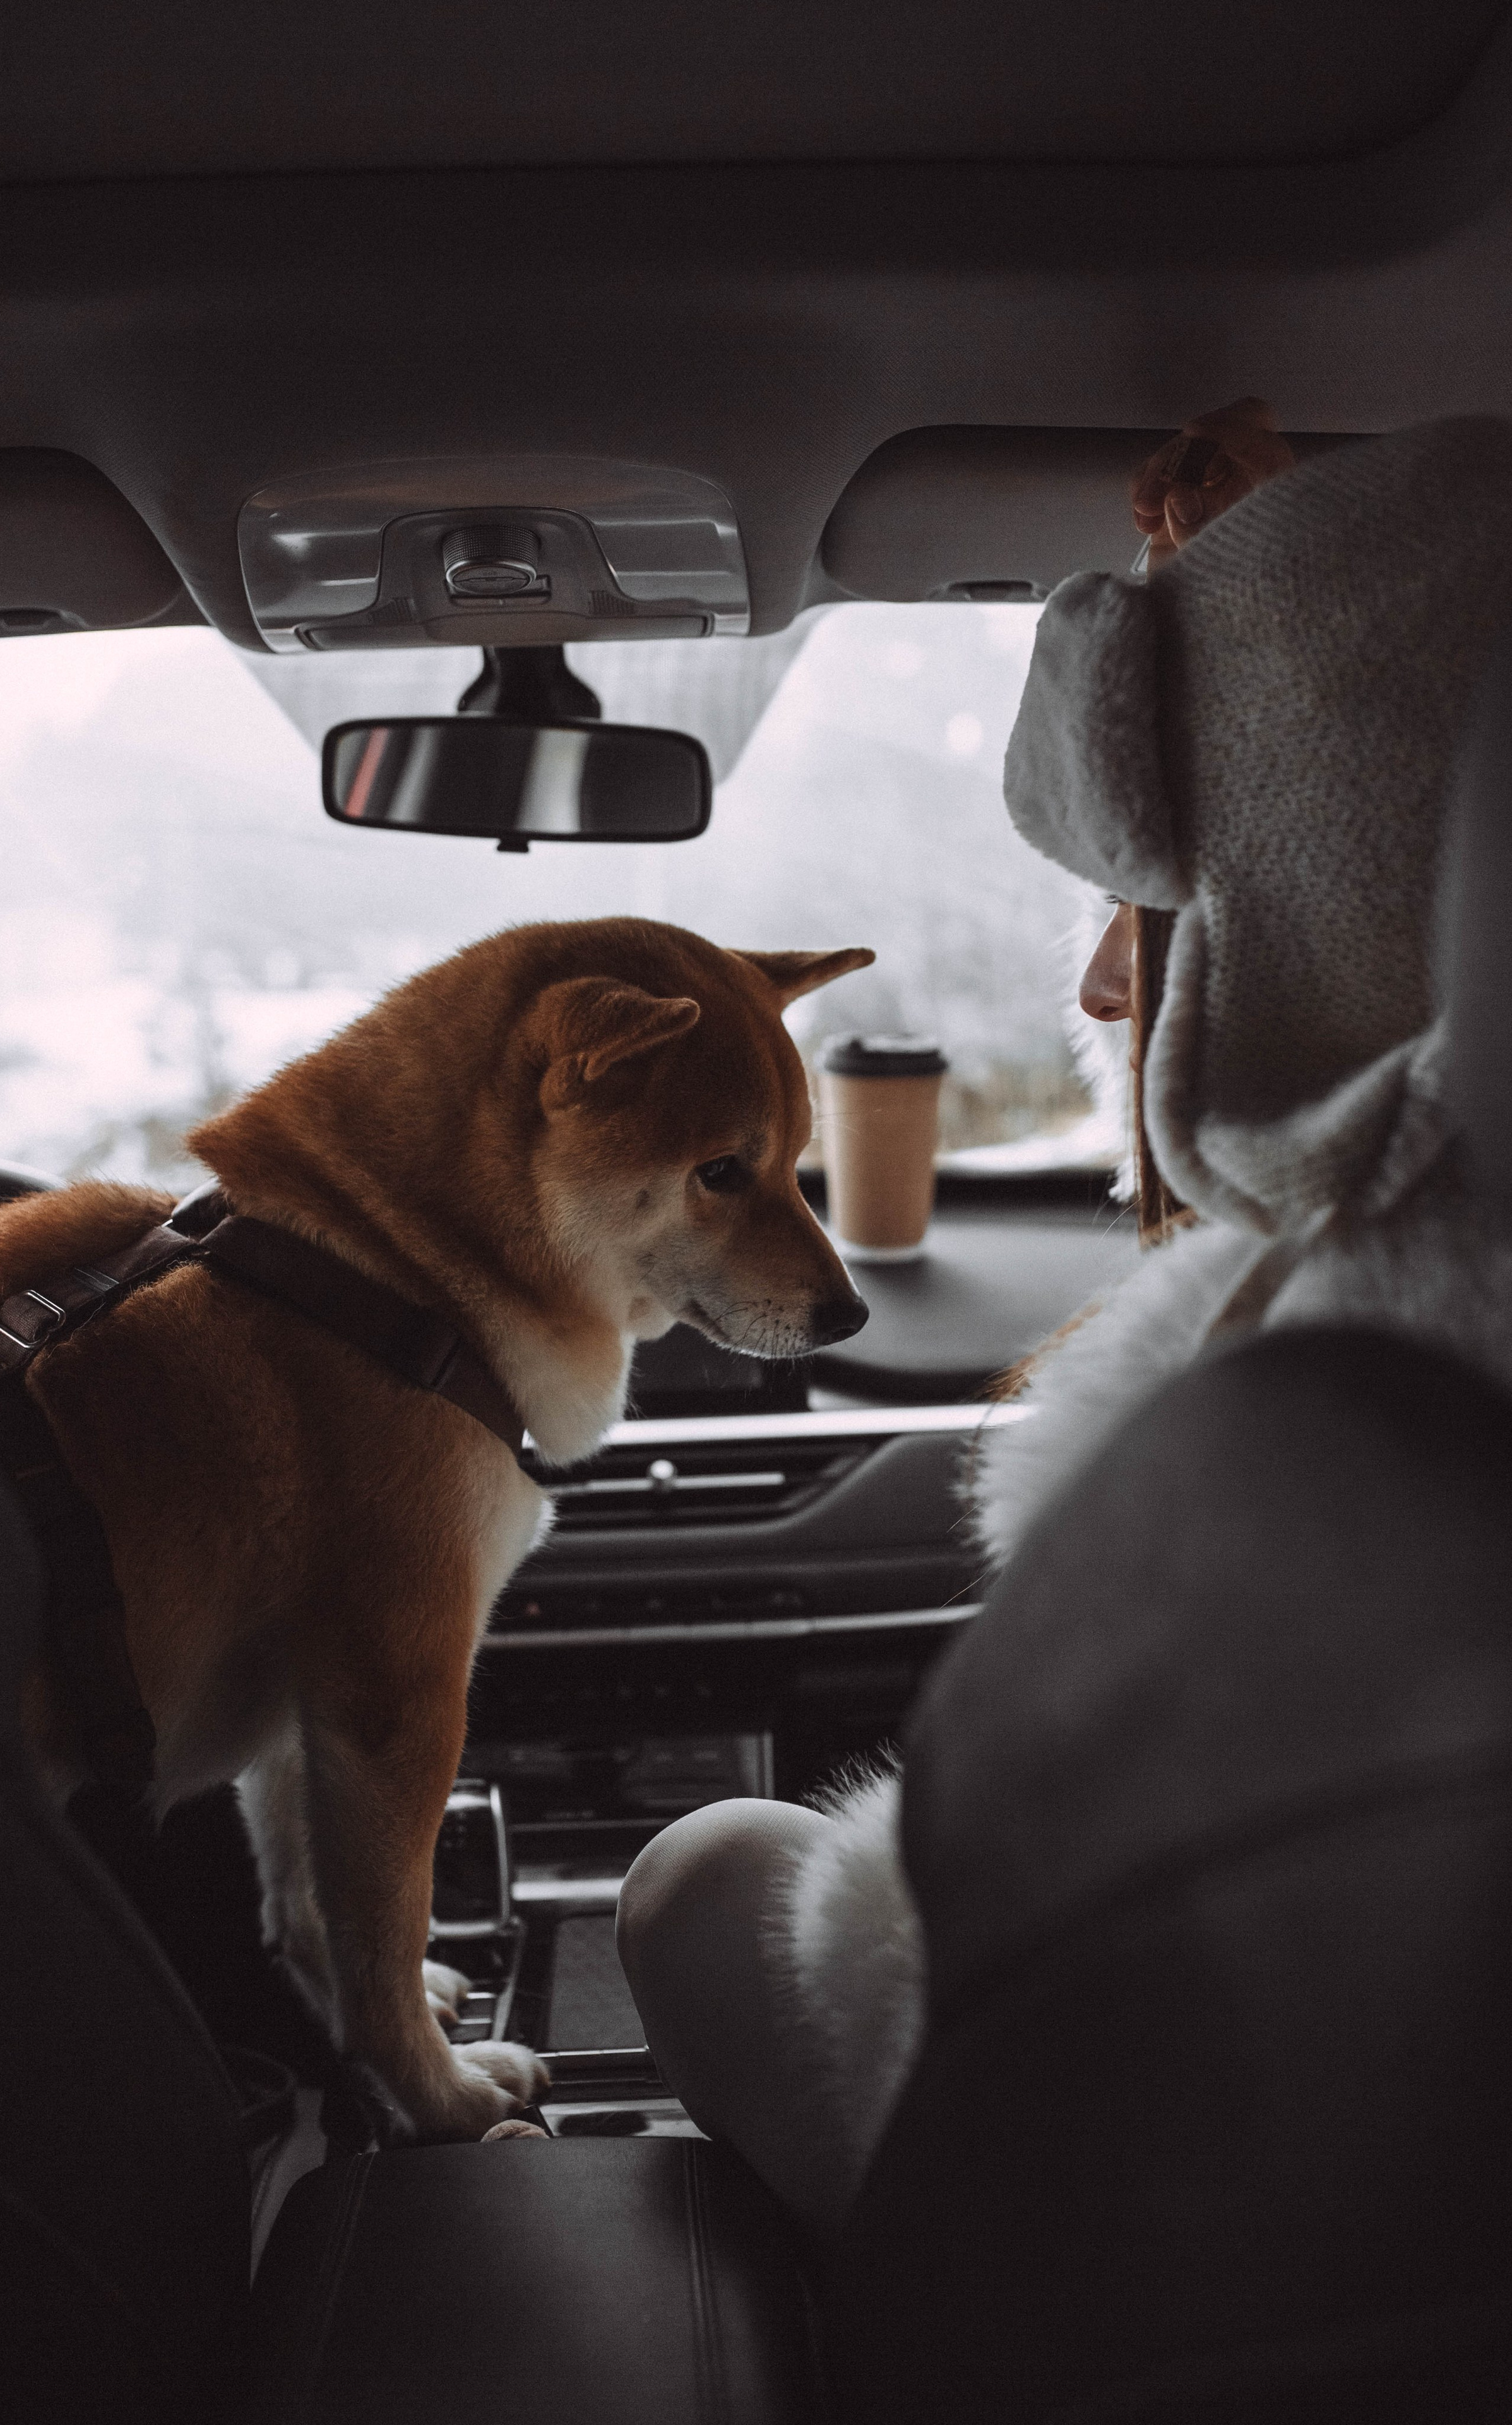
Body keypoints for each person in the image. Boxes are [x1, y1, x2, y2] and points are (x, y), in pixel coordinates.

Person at [617, 405, 1512, 2233]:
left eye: (1168, 901)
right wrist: (1300, 640)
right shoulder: (1393, 1307)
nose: (1112, 990)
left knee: (702, 1879)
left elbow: (1047, 1930)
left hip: (1137, 2229)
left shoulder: (1300, 1394)